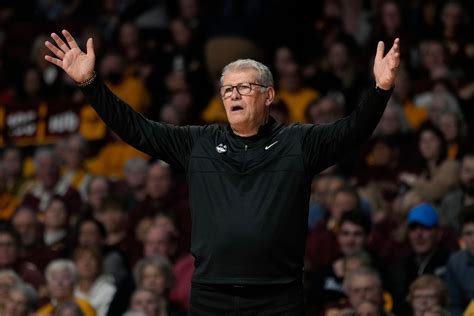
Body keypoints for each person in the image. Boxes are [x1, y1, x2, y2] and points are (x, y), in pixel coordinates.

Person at [44, 29, 400, 314]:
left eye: (244, 86)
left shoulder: (299, 143)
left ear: (269, 95)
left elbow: (354, 130)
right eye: (228, 88)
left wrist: (381, 89)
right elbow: (135, 128)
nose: (234, 94)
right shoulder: (198, 142)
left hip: (279, 297)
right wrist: (90, 83)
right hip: (211, 295)